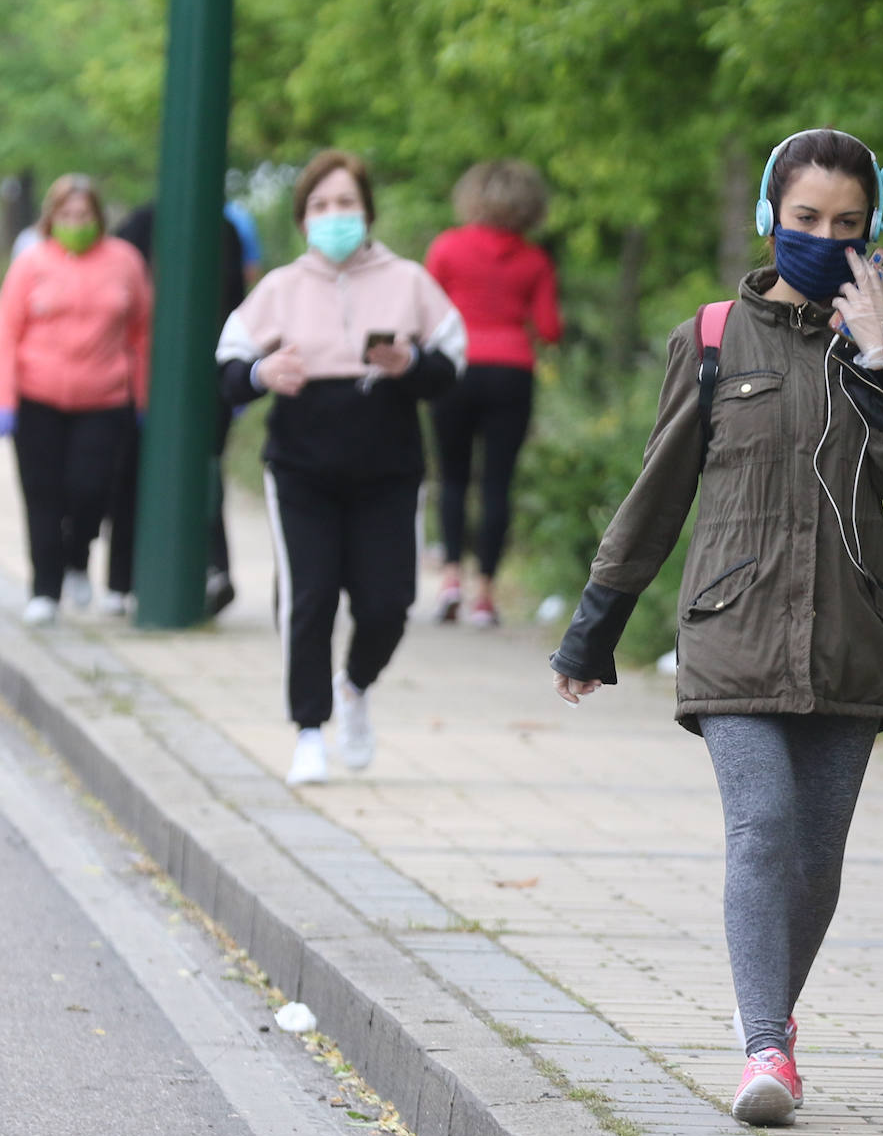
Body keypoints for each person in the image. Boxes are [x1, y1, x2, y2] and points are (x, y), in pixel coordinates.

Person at [549, 128, 883, 1127]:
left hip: (853, 629)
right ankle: (763, 1044)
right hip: (733, 624)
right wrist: (595, 625)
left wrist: (873, 355)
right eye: (807, 218)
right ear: (772, 217)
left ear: (875, 229)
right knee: (762, 823)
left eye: (847, 223)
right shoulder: (716, 335)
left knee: (816, 854)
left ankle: (773, 1016)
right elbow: (660, 486)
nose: (824, 237)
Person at [216, 149, 466, 786]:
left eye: (345, 204)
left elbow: (451, 363)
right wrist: (260, 372)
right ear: (304, 219)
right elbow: (229, 370)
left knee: (388, 604)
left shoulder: (408, 280)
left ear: (367, 212)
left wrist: (409, 364)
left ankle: (354, 686)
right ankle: (308, 729)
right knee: (311, 597)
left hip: (388, 466)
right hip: (301, 466)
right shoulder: (280, 287)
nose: (334, 217)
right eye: (321, 206)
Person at [0, 173, 151, 625]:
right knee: (43, 495)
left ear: (98, 217)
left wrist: (141, 396)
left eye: (83, 215)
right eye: (66, 215)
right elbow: (8, 331)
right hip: (38, 396)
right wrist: (6, 399)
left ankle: (76, 558)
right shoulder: (32, 264)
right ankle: (45, 588)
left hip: (104, 397)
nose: (75, 222)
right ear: (51, 218)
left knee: (90, 490)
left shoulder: (124, 261)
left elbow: (142, 332)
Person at [423, 160, 562, 626]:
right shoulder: (534, 260)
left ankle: (449, 582)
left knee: (453, 477)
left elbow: (425, 311)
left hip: (456, 368)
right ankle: (485, 595)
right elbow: (548, 328)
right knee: (497, 482)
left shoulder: (447, 247)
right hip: (511, 372)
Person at [105, 202, 247, 617]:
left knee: (203, 470)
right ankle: (122, 581)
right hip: (138, 381)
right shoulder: (139, 227)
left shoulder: (223, 231)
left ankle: (213, 569)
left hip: (206, 379)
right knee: (131, 477)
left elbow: (234, 302)